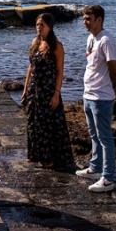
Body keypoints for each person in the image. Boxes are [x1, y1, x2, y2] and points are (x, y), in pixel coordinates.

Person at [22, 13, 75, 170]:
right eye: (37, 24)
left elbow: (60, 71)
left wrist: (57, 93)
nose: (39, 27)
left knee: (48, 126)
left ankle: (50, 159)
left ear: (50, 27)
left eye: (42, 25)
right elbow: (30, 67)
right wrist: (25, 88)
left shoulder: (57, 46)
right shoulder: (35, 42)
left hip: (48, 90)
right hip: (34, 89)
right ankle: (35, 155)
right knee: (33, 123)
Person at [77, 4, 116, 192]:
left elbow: (114, 68)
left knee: (105, 138)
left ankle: (108, 178)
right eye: (84, 18)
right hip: (88, 93)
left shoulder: (106, 40)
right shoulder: (91, 38)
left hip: (101, 97)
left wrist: (112, 87)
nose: (84, 22)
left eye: (88, 18)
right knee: (93, 134)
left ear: (99, 19)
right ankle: (95, 168)